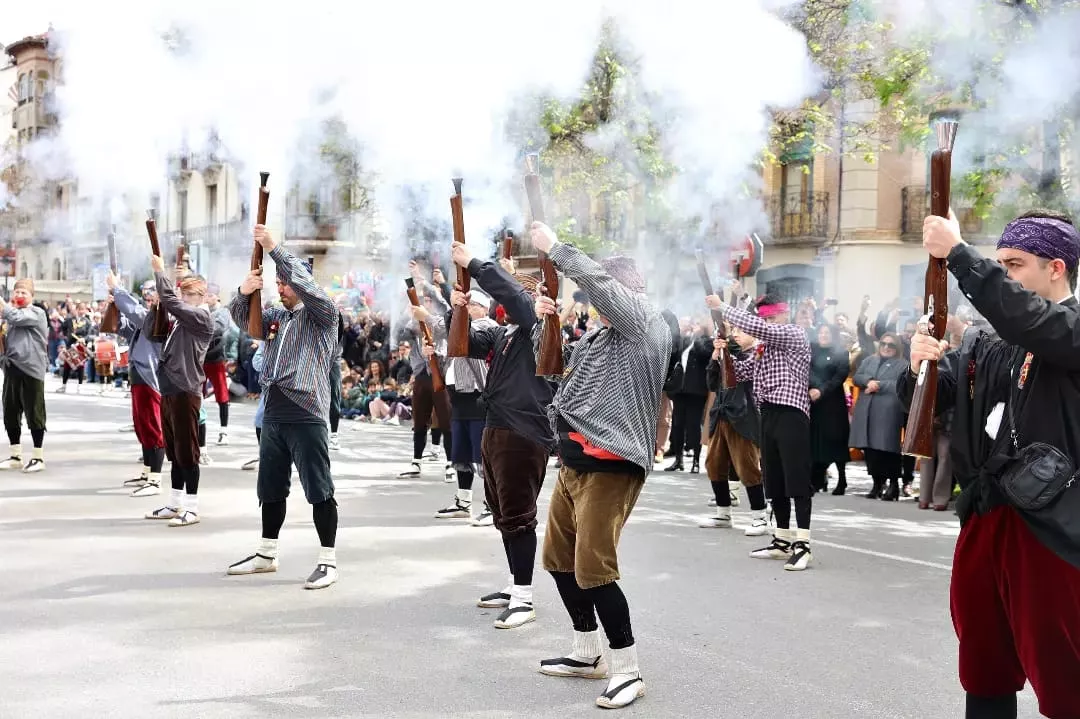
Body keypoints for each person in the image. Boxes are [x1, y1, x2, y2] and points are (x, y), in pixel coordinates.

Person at [900, 208, 1080, 719]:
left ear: (1057, 268)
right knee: (984, 667)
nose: (1003, 274)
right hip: (985, 518)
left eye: (1015, 265)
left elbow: (1032, 321)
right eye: (998, 264)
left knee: (1066, 684)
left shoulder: (1069, 330)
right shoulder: (987, 341)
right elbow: (934, 398)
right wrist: (918, 368)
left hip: (1054, 532)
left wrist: (958, 254)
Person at [532, 222, 670, 710]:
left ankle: (628, 669)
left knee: (594, 569)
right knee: (557, 561)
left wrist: (558, 250)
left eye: (601, 294)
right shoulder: (598, 338)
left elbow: (601, 287)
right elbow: (551, 366)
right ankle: (586, 651)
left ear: (626, 291)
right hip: (572, 463)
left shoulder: (646, 323)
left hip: (612, 466)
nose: (593, 305)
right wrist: (543, 320)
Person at [445, 242, 555, 630]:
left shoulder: (538, 327)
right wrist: (455, 308)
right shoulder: (506, 333)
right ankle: (514, 585)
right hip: (498, 428)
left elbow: (512, 295)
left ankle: (524, 598)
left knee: (519, 516)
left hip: (523, 432)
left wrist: (473, 265)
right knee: (505, 513)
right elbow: (462, 344)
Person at [226, 225, 341, 590]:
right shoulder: (277, 317)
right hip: (274, 409)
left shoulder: (323, 315)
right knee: (270, 489)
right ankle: (266, 552)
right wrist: (244, 293)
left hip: (306, 411)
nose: (280, 287)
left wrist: (274, 248)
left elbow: (307, 287)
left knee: (319, 489)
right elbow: (245, 322)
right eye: (277, 282)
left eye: (285, 282)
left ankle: (327, 560)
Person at [706, 290, 814, 572]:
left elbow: (760, 329)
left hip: (791, 412)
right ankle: (782, 539)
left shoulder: (793, 334)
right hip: (767, 413)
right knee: (774, 479)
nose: (766, 321)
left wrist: (723, 308)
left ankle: (803, 544)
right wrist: (722, 352)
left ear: (783, 314)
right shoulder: (762, 347)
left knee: (796, 479)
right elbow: (738, 374)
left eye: (770, 315)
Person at [141, 256, 214, 527]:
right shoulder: (181, 320)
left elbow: (173, 303)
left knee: (188, 451)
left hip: (186, 389)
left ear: (202, 296)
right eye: (182, 293)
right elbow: (151, 333)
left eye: (189, 294)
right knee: (174, 450)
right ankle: (174, 503)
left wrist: (161, 275)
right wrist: (157, 307)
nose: (183, 298)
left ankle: (191, 507)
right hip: (171, 388)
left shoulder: (201, 317)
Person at [434, 287, 497, 522]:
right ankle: (463, 501)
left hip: (478, 396)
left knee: (484, 457)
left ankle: (493, 505)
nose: (467, 310)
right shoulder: (463, 328)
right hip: (459, 396)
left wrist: (452, 309)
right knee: (460, 454)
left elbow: (448, 329)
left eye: (470, 306)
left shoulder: (486, 327)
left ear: (483, 309)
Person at [699, 328, 769, 534]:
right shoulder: (730, 355)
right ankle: (723, 514)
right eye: (735, 330)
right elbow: (712, 383)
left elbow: (739, 375)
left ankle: (760, 516)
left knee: (748, 467)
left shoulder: (759, 354)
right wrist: (715, 355)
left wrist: (725, 354)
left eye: (742, 331)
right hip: (721, 414)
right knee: (714, 464)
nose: (736, 334)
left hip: (744, 416)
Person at [110, 276, 166, 496]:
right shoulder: (150, 317)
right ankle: (147, 473)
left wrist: (117, 290)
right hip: (138, 376)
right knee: (142, 427)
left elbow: (136, 313)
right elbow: (126, 328)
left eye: (154, 293)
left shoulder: (162, 317)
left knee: (153, 429)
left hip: (150, 378)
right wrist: (114, 307)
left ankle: (155, 478)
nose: (150, 297)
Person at [0, 279, 48, 472]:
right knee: (10, 412)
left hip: (31, 368)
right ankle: (15, 454)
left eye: (23, 293)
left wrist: (4, 307)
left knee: (34, 412)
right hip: (11, 367)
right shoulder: (10, 316)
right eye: (17, 292)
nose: (19, 296)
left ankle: (38, 456)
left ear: (32, 296)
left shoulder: (37, 313)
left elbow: (18, 319)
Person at [202, 284, 233, 446]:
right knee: (196, 394)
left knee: (222, 395)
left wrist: (203, 320)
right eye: (205, 295)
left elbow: (219, 328)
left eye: (209, 295)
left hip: (216, 358)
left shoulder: (222, 312)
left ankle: (223, 431)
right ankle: (197, 429)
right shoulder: (201, 309)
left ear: (216, 296)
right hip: (200, 358)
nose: (206, 298)